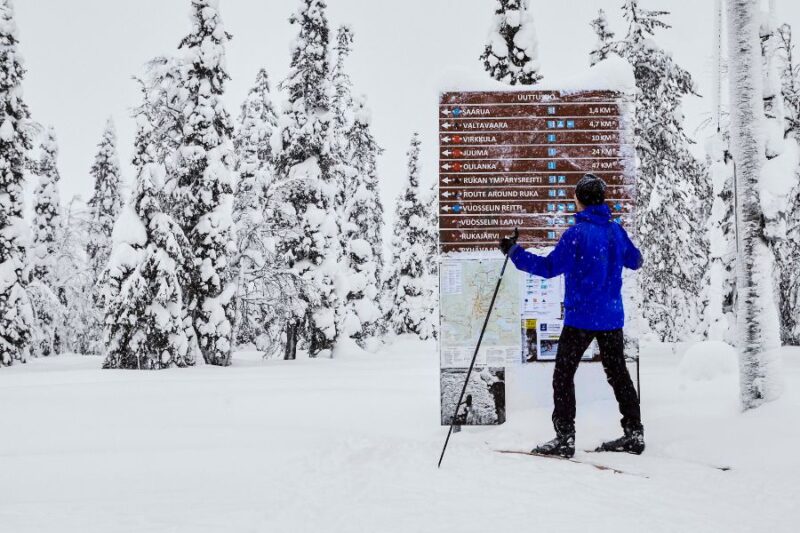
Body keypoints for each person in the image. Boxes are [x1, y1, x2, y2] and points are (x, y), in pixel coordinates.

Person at [499, 174, 644, 458]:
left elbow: (549, 268)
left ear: (580, 200)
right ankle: (634, 433)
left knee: (564, 375)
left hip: (581, 319)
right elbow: (636, 260)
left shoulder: (576, 234)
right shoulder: (616, 231)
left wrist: (514, 252)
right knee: (619, 375)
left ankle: (565, 438)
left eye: (575, 196)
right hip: (611, 318)